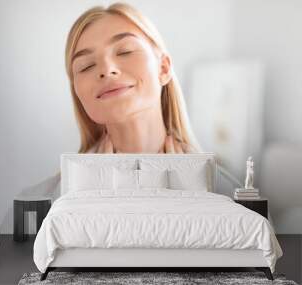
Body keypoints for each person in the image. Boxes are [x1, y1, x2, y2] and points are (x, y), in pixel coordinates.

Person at [20, 3, 201, 201]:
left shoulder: (228, 193)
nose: (107, 69)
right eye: (86, 66)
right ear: (78, 93)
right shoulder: (32, 208)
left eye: (125, 51)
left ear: (164, 69)